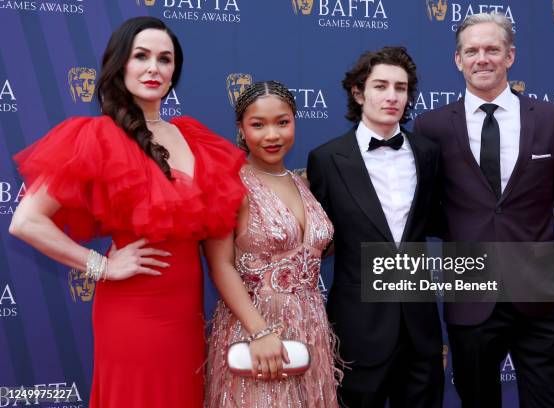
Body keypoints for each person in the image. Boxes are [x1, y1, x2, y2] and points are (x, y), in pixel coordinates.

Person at [9, 16, 245, 408]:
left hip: (186, 317)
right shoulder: (96, 136)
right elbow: (25, 221)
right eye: (142, 56)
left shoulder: (195, 137)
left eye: (165, 59)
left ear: (174, 72)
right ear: (120, 64)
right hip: (132, 312)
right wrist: (99, 265)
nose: (154, 67)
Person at [412, 13, 554, 408]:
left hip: (543, 297)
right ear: (458, 60)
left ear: (510, 56)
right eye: (471, 51)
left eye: (492, 49)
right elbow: (427, 209)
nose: (482, 58)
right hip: (471, 298)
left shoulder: (553, 119)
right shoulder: (431, 127)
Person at [307, 47, 444, 408]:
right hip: (357, 327)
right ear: (358, 92)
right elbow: (320, 239)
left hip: (420, 327)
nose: (392, 96)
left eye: (401, 88)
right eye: (381, 85)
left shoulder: (428, 153)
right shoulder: (326, 159)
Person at [205, 81, 341, 407]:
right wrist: (259, 332)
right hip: (255, 328)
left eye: (282, 122)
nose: (272, 135)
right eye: (258, 124)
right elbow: (220, 264)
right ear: (240, 128)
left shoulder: (304, 182)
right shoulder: (230, 183)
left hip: (310, 328)